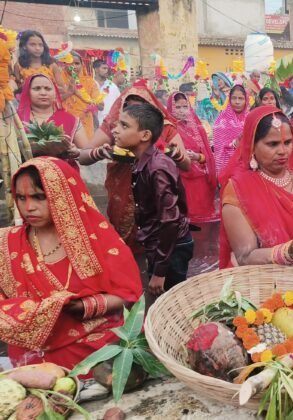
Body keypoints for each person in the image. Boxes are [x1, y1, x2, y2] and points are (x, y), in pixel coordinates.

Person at [0, 158, 142, 369]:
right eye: (21, 198)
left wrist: (86, 306)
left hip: (96, 351)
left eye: (39, 197)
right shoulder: (6, 243)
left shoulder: (98, 239)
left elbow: (130, 295)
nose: (29, 207)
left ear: (63, 196)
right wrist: (33, 315)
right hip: (31, 356)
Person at [219, 106, 293, 272]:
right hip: (264, 281)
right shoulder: (238, 189)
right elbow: (245, 256)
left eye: (287, 142)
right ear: (252, 145)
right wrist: (291, 250)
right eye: (272, 144)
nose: (283, 151)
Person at [84, 80, 188, 250]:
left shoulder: (165, 127)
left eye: (140, 107)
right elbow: (84, 156)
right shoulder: (116, 126)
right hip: (123, 190)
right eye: (129, 107)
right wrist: (99, 153)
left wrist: (173, 154)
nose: (134, 112)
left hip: (156, 192)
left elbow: (186, 165)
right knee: (127, 247)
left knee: (160, 242)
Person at [113, 103, 193, 296]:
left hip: (171, 246)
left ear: (145, 135)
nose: (115, 130)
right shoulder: (142, 160)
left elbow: (170, 219)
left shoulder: (158, 167)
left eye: (124, 126)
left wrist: (160, 270)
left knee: (171, 301)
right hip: (161, 243)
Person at [168, 91, 219, 224]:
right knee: (187, 219)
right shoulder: (168, 130)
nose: (182, 110)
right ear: (171, 108)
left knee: (204, 220)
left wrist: (197, 157)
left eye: (185, 106)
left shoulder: (198, 128)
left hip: (201, 180)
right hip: (181, 180)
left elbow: (207, 156)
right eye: (178, 107)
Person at [18, 74, 87, 170]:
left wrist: (76, 152)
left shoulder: (71, 119)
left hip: (62, 173)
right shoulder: (15, 119)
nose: (43, 93)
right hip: (25, 173)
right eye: (37, 88)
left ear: (55, 93)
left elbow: (87, 153)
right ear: (27, 92)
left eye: (48, 89)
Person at [59, 52, 102, 139]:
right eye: (70, 63)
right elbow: (52, 102)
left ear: (82, 65)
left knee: (84, 146)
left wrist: (91, 104)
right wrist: (69, 93)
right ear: (64, 64)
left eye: (77, 63)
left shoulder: (90, 82)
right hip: (64, 122)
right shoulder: (58, 81)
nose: (74, 66)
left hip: (85, 122)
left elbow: (101, 106)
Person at [213, 84, 249, 175]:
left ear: (246, 100)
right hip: (226, 167)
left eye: (241, 98)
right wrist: (235, 143)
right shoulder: (221, 121)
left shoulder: (250, 119)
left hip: (247, 166)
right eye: (234, 98)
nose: (237, 102)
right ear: (229, 100)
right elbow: (219, 149)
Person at [93, 59, 121, 125]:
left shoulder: (113, 86)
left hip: (109, 123)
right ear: (96, 69)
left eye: (107, 69)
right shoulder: (89, 84)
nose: (106, 71)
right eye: (104, 68)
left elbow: (119, 104)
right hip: (92, 122)